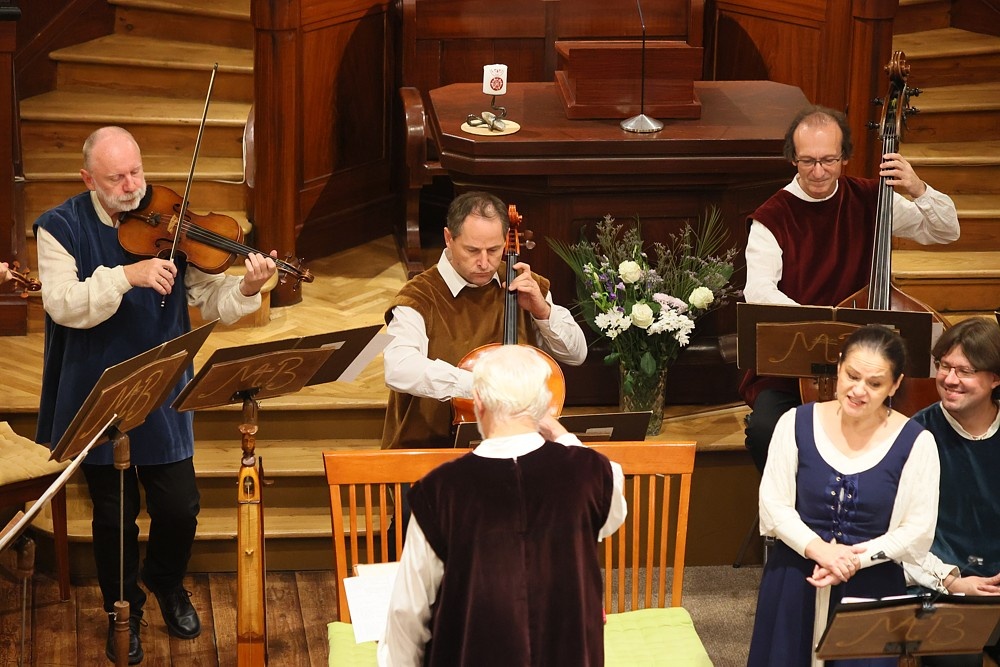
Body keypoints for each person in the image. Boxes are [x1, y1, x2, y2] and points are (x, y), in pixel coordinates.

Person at [33, 126, 277, 665]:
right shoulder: (59, 226)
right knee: (114, 515)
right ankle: (124, 611)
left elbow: (207, 298)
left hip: (162, 383)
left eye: (136, 172)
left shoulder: (169, 219)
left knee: (180, 506)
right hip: (97, 389)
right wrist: (128, 276)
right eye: (116, 178)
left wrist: (245, 287)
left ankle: (165, 581)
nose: (132, 186)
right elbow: (63, 303)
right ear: (87, 179)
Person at [741, 105, 959, 473]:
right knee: (765, 431)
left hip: (871, 363)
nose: (818, 171)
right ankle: (791, 507)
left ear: (845, 157)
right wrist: (824, 331)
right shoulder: (771, 217)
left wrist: (917, 188)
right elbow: (760, 292)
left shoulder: (872, 198)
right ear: (793, 158)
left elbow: (945, 230)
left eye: (829, 160)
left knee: (921, 429)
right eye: (807, 161)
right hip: (797, 365)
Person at [377, 345, 626, 666]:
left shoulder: (439, 490)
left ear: (478, 401)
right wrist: (561, 434)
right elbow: (612, 513)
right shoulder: (593, 474)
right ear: (546, 406)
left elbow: (408, 612)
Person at [748, 325, 941, 667]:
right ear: (838, 367)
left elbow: (917, 529)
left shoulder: (917, 442)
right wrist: (819, 549)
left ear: (895, 384)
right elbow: (774, 505)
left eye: (875, 383)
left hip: (872, 585)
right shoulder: (794, 422)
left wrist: (852, 561)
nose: (858, 390)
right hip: (795, 575)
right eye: (852, 375)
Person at [380, 191, 587, 449]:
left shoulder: (523, 285)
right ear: (449, 238)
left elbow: (576, 354)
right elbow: (399, 368)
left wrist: (542, 311)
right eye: (472, 250)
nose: (484, 262)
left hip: (518, 449)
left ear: (506, 241)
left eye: (494, 250)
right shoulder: (419, 296)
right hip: (429, 450)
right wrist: (482, 385)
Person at [904, 317, 1000, 666]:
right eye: (944, 366)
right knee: (954, 658)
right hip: (942, 584)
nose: (949, 379)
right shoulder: (915, 435)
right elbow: (899, 534)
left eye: (965, 371)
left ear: (996, 378)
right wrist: (953, 581)